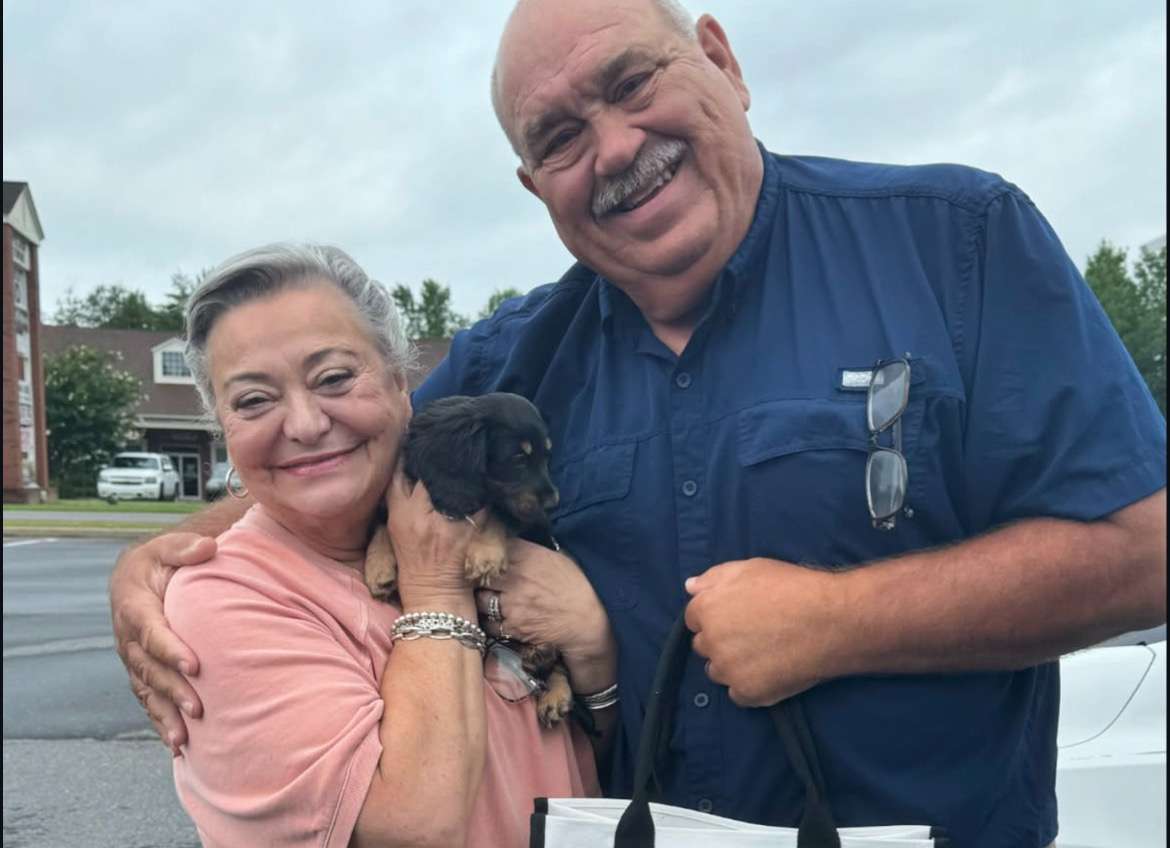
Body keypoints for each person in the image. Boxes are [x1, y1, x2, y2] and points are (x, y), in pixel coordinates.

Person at [110, 2, 1166, 846]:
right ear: (534, 185)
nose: (614, 149)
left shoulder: (958, 246)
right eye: (560, 138)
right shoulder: (512, 358)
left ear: (721, 60)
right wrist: (169, 552)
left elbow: (1144, 547)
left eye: (631, 83)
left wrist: (840, 621)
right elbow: (342, 445)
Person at [145, 243, 608, 848]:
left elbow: (587, 758)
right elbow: (414, 827)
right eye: (254, 399)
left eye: (334, 377)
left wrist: (593, 647)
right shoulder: (223, 603)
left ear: (399, 383)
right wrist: (436, 589)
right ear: (223, 430)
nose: (306, 424)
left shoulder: (488, 534)